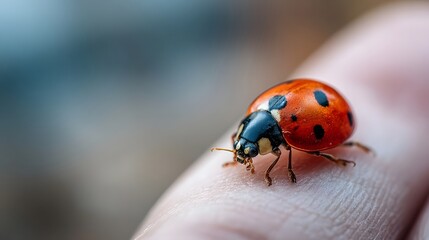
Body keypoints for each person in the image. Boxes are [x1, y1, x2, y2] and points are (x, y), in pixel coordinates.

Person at [134, 3, 429, 239]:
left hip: (325, 107)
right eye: (243, 149)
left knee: (300, 148)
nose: (246, 152)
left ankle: (346, 149)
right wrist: (240, 154)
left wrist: (276, 169)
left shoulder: (285, 133)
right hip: (297, 101)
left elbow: (283, 152)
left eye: (246, 150)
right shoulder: (256, 115)